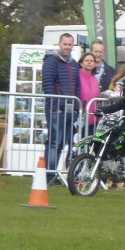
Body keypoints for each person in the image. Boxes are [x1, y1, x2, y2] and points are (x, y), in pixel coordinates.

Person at [41, 33, 80, 184]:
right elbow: (48, 84)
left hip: (71, 111)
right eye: (65, 44)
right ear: (59, 44)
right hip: (56, 110)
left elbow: (77, 87)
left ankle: (56, 174)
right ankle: (50, 176)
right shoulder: (51, 61)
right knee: (54, 142)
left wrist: (76, 108)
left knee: (64, 143)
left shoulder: (74, 63)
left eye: (70, 44)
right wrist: (55, 106)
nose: (68, 47)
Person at [78, 52, 100, 128]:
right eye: (86, 60)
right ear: (81, 63)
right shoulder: (77, 76)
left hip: (92, 117)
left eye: (92, 61)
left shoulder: (95, 79)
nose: (89, 62)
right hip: (79, 116)